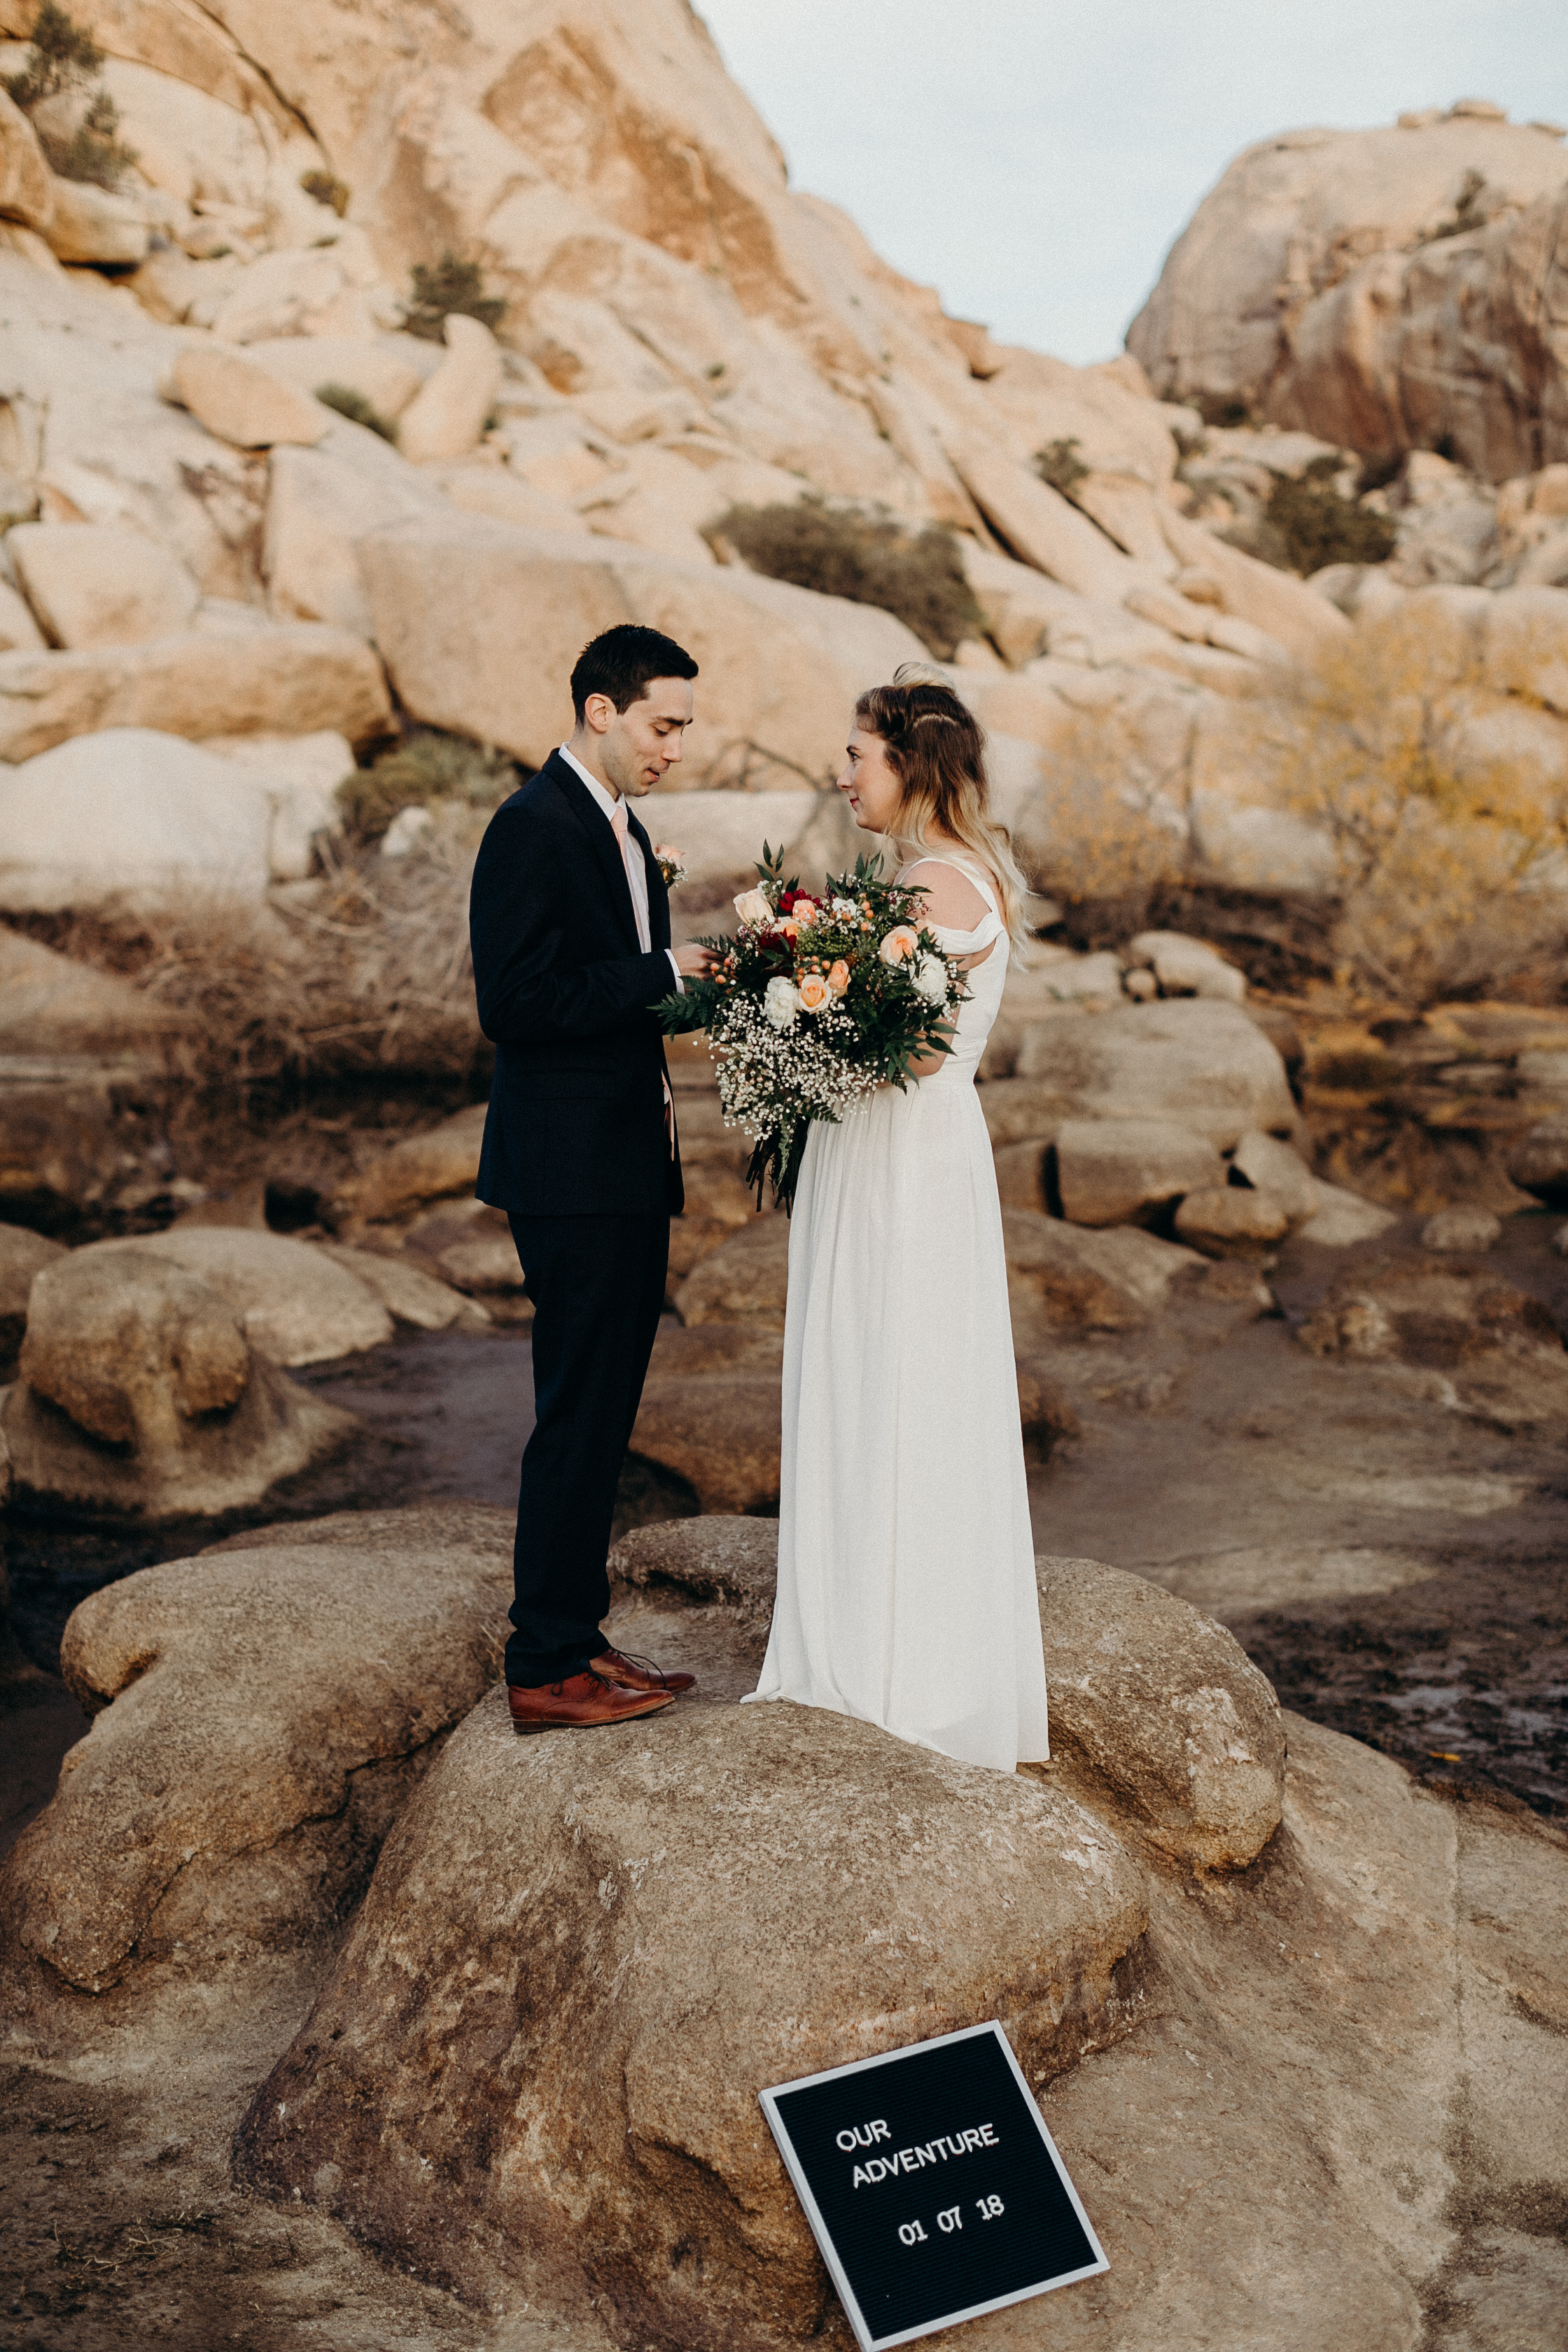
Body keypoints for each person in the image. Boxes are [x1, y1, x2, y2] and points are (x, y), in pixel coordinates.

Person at [746, 669, 1051, 1772]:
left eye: (858, 756)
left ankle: (881, 1663)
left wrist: (797, 1022)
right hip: (919, 1152)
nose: (843, 774)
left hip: (896, 1159)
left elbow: (912, 1049)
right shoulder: (957, 874)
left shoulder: (929, 886)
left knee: (883, 1377)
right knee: (914, 1382)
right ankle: (915, 1639)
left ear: (909, 765)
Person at [470, 624, 715, 1732]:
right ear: (602, 711)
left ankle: (577, 1631)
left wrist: (724, 982)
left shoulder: (627, 827)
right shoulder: (531, 827)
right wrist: (662, 970)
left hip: (624, 1159)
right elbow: (515, 1005)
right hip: (568, 1171)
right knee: (576, 1411)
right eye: (663, 725)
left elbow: (615, 997)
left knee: (607, 1408)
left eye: (684, 730)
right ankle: (544, 1664)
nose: (675, 749)